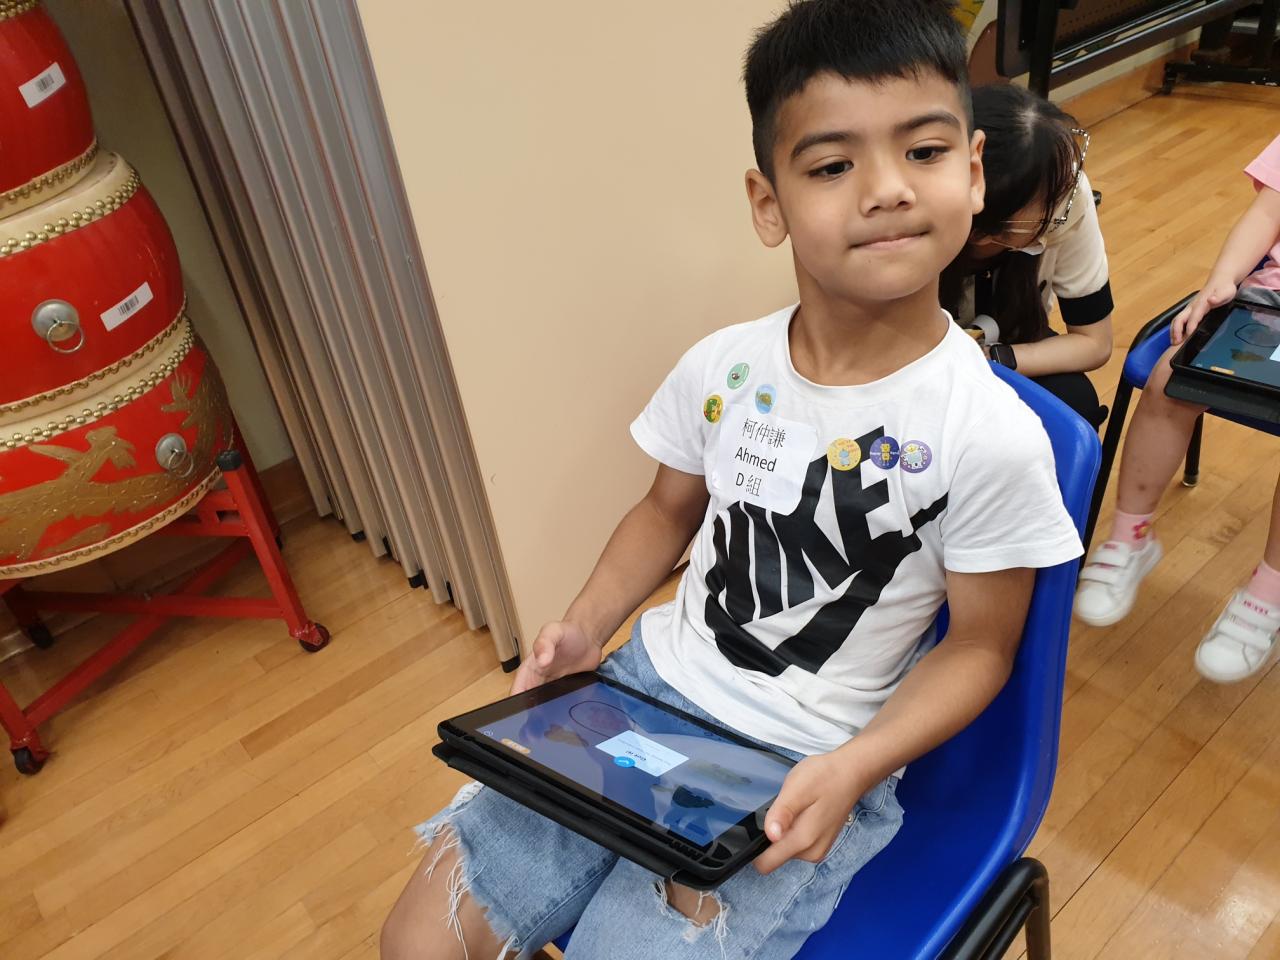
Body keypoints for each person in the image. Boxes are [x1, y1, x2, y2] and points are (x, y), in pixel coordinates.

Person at [381, 2, 1081, 957]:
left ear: (972, 170)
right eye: (832, 166)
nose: (886, 190)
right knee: (416, 941)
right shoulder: (725, 368)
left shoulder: (990, 435)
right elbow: (664, 510)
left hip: (801, 762)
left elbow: (979, 650)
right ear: (768, 204)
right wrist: (584, 627)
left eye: (922, 151)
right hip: (640, 692)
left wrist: (857, 766)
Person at [1074, 133, 1280, 683]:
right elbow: (1266, 214)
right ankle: (1131, 537)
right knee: (1170, 377)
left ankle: (1268, 592)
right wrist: (1221, 281)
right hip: (1268, 306)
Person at [941, 84, 1114, 428]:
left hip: (1008, 343)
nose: (1070, 195)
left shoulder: (1067, 190)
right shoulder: (927, 227)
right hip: (923, 363)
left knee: (1074, 401)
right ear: (981, 231)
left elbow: (1094, 342)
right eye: (1049, 202)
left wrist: (998, 358)